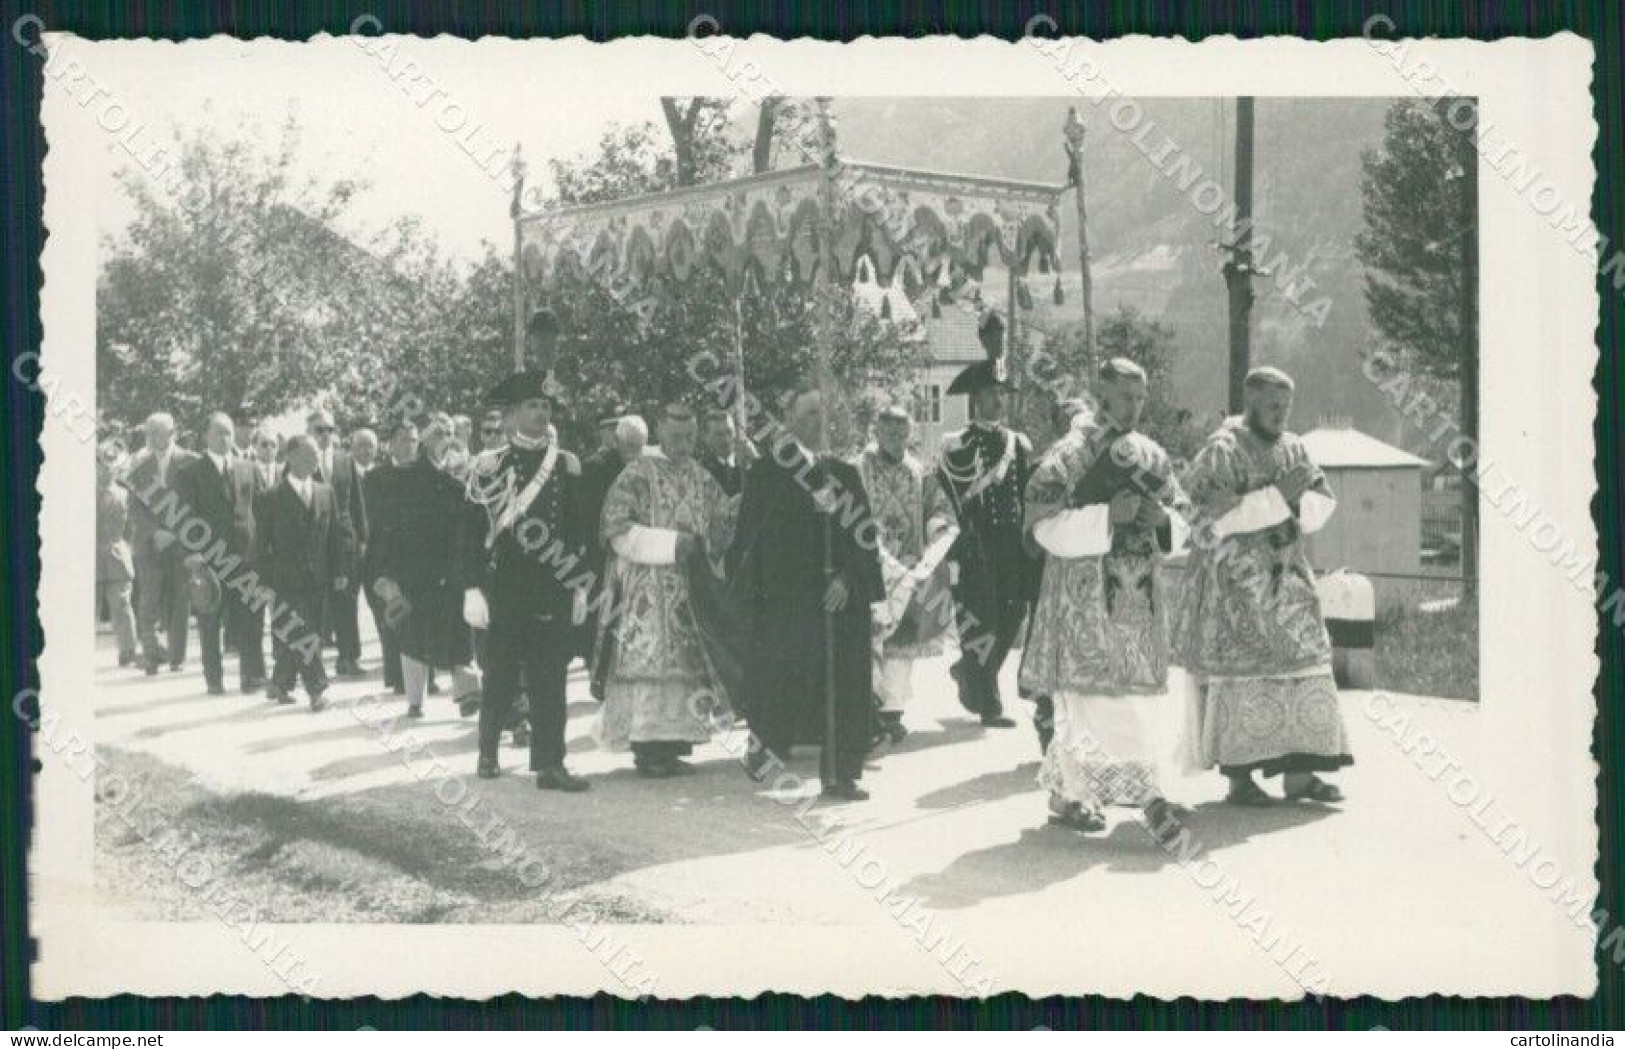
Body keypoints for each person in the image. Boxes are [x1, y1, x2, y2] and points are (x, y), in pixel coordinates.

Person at [1020, 360, 1189, 838]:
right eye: (1125, 397)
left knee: (1109, 706)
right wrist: (1106, 516)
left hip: (1139, 601)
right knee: (1101, 703)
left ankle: (1068, 795)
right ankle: (1151, 800)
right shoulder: (1069, 455)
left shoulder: (1153, 456)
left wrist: (1164, 523)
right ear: (1102, 394)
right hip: (1083, 602)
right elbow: (1043, 528)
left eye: (1141, 398)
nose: (1134, 407)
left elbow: (1187, 517)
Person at [1173, 366, 1352, 805]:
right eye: (1273, 406)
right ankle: (1240, 779)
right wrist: (1274, 500)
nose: (1281, 414)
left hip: (1289, 580)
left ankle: (1301, 773)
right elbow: (1202, 520)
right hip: (1238, 586)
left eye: (1286, 406)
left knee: (1307, 665)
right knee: (1244, 676)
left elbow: (1321, 503)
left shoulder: (1294, 447)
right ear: (1249, 403)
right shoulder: (1222, 450)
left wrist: (1294, 500)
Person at [729, 378, 885, 800]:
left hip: (836, 601)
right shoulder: (765, 475)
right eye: (809, 414)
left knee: (843, 681)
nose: (818, 422)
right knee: (778, 672)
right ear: (789, 420)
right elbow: (750, 543)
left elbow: (865, 540)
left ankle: (840, 772)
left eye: (823, 414)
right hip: (785, 601)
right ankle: (766, 747)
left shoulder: (845, 474)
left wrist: (848, 579)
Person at [459, 369, 589, 790]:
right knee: (499, 674)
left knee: (551, 676)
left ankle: (550, 763)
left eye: (545, 406)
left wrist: (579, 585)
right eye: (532, 406)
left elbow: (577, 533)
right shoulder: (488, 467)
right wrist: (472, 588)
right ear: (511, 416)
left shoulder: (566, 465)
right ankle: (487, 749)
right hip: (506, 588)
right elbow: (467, 536)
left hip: (551, 587)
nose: (540, 413)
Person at [594, 401, 735, 776]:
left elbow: (723, 523)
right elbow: (616, 530)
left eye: (690, 436)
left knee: (686, 669)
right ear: (659, 430)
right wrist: (672, 544)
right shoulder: (637, 473)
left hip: (693, 589)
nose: (684, 444)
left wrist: (734, 516)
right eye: (676, 436)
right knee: (652, 668)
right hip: (648, 588)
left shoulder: (703, 477)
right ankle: (647, 748)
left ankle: (674, 744)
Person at [936, 313, 1035, 728]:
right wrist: (954, 547)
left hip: (1012, 544)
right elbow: (947, 496)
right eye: (992, 393)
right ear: (975, 398)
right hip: (976, 546)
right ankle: (989, 702)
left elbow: (1028, 494)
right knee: (983, 621)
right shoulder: (955, 444)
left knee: (1011, 619)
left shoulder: (1018, 443)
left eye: (1002, 394)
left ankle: (970, 673)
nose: (999, 401)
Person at [855, 406, 956, 744]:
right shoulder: (859, 469)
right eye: (890, 434)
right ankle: (868, 709)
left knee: (901, 642)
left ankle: (892, 712)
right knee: (870, 639)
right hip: (870, 569)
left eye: (903, 435)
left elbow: (937, 506)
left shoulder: (919, 471)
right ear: (876, 432)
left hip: (908, 569)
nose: (897, 441)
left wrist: (937, 526)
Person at [370, 416, 479, 717]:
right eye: (438, 434)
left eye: (449, 433)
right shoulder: (409, 475)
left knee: (459, 629)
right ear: (427, 440)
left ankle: (466, 692)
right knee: (414, 633)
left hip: (454, 564)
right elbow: (392, 525)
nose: (445, 438)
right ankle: (415, 700)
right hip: (415, 566)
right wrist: (387, 573)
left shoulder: (462, 468)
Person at [259, 435, 352, 710]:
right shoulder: (270, 497)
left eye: (315, 456)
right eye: (307, 456)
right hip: (284, 580)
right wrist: (262, 581)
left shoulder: (326, 492)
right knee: (302, 632)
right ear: (289, 457)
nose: (313, 461)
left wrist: (340, 570)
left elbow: (334, 535)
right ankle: (317, 689)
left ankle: (279, 682)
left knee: (305, 631)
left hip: (318, 577)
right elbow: (261, 545)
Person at [174, 412, 264, 696]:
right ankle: (214, 679)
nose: (225, 438)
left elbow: (261, 510)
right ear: (206, 437)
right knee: (210, 620)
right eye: (219, 433)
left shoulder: (248, 467)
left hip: (246, 556)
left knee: (251, 618)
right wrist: (192, 554)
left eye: (228, 432)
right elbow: (183, 518)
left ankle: (252, 676)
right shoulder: (190, 473)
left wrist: (264, 550)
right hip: (209, 558)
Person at [124, 412, 197, 675]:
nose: (152, 437)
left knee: (180, 599)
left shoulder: (191, 462)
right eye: (149, 432)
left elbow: (196, 504)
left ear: (172, 433)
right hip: (150, 544)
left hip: (181, 543)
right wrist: (155, 531)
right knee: (148, 601)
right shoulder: (138, 468)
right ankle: (152, 655)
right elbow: (133, 508)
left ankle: (177, 657)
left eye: (158, 431)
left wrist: (176, 533)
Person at [576, 411, 644, 664]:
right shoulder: (594, 467)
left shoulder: (642, 464)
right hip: (602, 551)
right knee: (605, 610)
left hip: (634, 547)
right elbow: (587, 512)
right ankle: (598, 666)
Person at [308, 408, 368, 677]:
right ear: (309, 431)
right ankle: (312, 662)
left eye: (330, 429)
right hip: (315, 542)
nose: (325, 435)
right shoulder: (299, 460)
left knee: (347, 601)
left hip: (344, 541)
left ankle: (349, 657)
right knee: (316, 604)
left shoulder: (345, 460)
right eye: (319, 429)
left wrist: (362, 537)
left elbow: (357, 502)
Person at [363, 419, 417, 694]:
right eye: (404, 440)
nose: (410, 446)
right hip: (384, 560)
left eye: (414, 440)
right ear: (391, 444)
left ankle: (422, 679)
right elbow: (369, 524)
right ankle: (397, 678)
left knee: (418, 617)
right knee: (390, 619)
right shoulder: (374, 479)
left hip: (418, 560)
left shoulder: (426, 475)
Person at [96, 447, 139, 668]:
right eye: (102, 464)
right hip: (89, 556)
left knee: (122, 605)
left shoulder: (125, 494)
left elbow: (133, 527)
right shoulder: (83, 492)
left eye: (111, 465)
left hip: (117, 556)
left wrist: (128, 549)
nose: (107, 469)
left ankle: (128, 651)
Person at [699, 409, 753, 497]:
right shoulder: (700, 471)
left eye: (729, 432)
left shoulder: (748, 463)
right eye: (719, 434)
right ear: (705, 437)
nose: (726, 440)